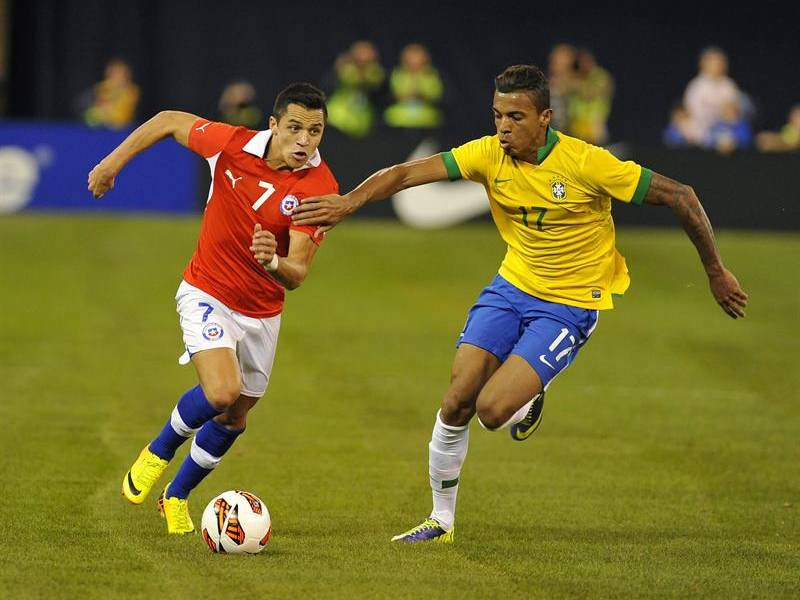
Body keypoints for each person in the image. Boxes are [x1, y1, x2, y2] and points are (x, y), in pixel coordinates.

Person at [292, 65, 748, 543]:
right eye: (497, 115)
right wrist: (347, 203)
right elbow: (405, 172)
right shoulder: (488, 154)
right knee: (456, 399)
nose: (503, 127)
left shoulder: (587, 163)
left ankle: (527, 394)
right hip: (511, 286)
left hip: (570, 304)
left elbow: (682, 195)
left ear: (545, 117)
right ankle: (440, 521)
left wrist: (716, 272)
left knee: (491, 410)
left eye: (515, 116)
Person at [87, 83, 338, 535]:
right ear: (274, 125)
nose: (305, 141)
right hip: (207, 291)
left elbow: (297, 272)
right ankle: (156, 453)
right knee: (222, 392)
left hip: (263, 311)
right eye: (296, 128)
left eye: (316, 131)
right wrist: (111, 164)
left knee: (234, 415)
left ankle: (176, 497)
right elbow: (167, 119)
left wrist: (273, 260)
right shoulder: (231, 145)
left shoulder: (320, 186)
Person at [325, 41, 386, 139]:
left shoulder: (375, 72)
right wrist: (339, 68)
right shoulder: (345, 69)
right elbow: (335, 81)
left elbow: (373, 83)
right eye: (360, 55)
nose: (363, 59)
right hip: (338, 118)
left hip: (362, 122)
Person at [682, 47, 741, 146]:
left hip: (724, 127)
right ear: (704, 64)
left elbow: (734, 112)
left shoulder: (729, 85)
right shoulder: (696, 86)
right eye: (713, 62)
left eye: (720, 62)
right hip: (701, 128)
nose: (717, 65)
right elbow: (693, 113)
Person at [383, 43, 444, 130]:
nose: (414, 61)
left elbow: (435, 94)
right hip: (400, 121)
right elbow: (395, 93)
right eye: (411, 57)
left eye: (417, 57)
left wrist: (420, 92)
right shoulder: (398, 74)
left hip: (427, 121)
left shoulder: (431, 74)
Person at [83, 58, 140, 129]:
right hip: (102, 126)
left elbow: (123, 115)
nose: (117, 77)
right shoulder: (103, 87)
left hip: (122, 128)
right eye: (114, 73)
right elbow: (97, 107)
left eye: (120, 74)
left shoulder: (132, 91)